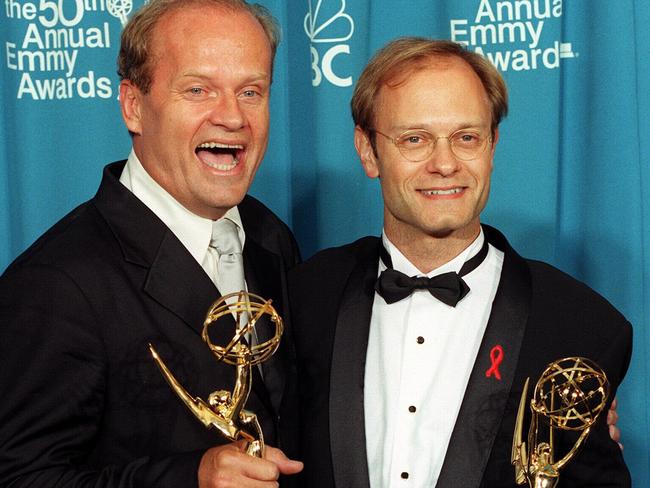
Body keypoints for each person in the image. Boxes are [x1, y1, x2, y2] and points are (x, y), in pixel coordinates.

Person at [289, 38, 632, 487]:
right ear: (369, 151)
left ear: (492, 146)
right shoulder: (305, 295)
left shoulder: (582, 326)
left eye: (466, 137)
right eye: (415, 139)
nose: (444, 163)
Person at [0, 1, 303, 486]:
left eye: (251, 91)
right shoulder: (56, 284)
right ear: (134, 106)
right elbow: (19, 478)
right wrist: (190, 478)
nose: (232, 117)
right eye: (198, 89)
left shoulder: (269, 237)